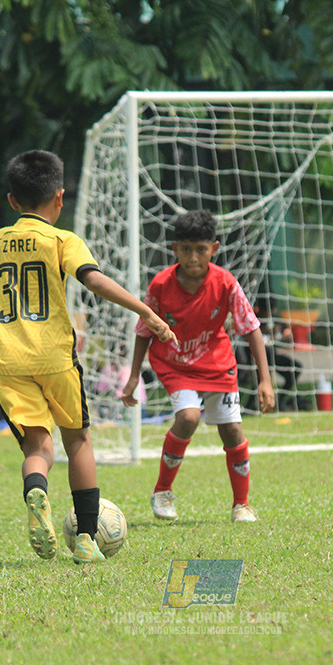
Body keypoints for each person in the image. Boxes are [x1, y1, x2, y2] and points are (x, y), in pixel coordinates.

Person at [0, 149, 177, 564]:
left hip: (7, 361)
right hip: (54, 357)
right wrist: (145, 311)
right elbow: (94, 281)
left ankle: (37, 490)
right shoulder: (61, 240)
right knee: (78, 441)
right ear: (59, 197)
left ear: (12, 201)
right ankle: (87, 539)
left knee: (38, 446)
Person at [120, 209, 275, 523]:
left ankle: (241, 504)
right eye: (186, 249)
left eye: (201, 250)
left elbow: (252, 329)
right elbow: (143, 330)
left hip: (217, 363)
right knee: (189, 417)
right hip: (174, 363)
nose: (193, 257)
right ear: (175, 249)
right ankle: (162, 491)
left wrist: (265, 380)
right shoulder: (161, 285)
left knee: (232, 430)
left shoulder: (226, 284)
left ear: (214, 249)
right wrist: (134, 375)